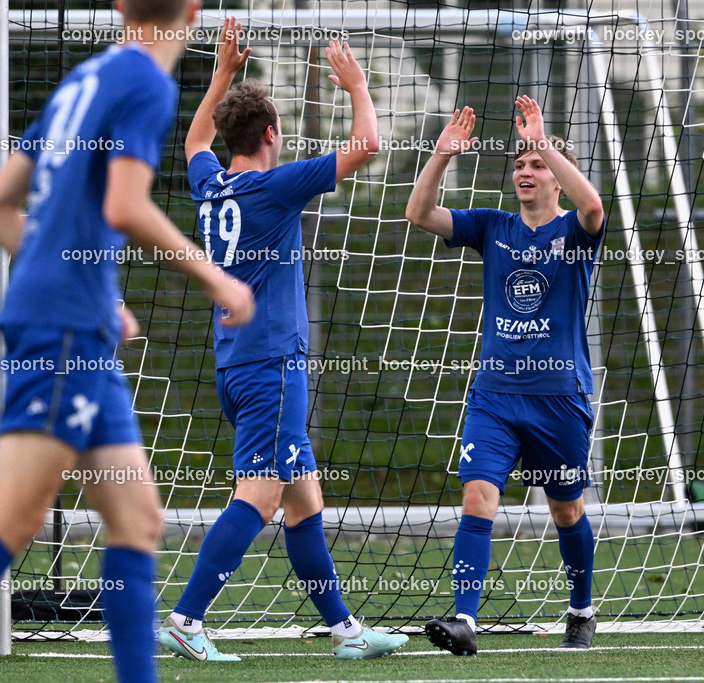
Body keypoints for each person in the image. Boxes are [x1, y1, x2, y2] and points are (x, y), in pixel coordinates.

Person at [0, 2, 255, 682]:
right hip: (61, 329)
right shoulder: (146, 81)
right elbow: (124, 206)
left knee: (137, 519)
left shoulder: (85, 78)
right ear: (193, 10)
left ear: (116, 6)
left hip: (77, 321)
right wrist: (215, 278)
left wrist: (97, 292)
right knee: (16, 515)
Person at [156, 18, 407, 661]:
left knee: (303, 498)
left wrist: (220, 76)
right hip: (272, 363)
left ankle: (345, 631)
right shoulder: (274, 184)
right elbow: (368, 144)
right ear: (270, 135)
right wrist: (355, 84)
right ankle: (186, 618)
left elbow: (192, 138)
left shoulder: (212, 186)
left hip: (241, 364)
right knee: (262, 495)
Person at [405, 97, 605, 653]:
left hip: (559, 399)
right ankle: (465, 622)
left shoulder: (574, 231)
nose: (525, 169)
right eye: (519, 163)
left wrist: (544, 141)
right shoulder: (491, 227)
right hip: (494, 397)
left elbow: (594, 207)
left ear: (555, 179)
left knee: (566, 509)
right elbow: (420, 214)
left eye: (536, 163)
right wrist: (442, 155)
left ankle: (581, 609)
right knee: (478, 498)